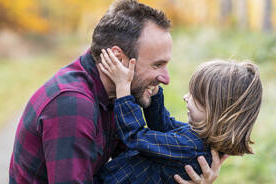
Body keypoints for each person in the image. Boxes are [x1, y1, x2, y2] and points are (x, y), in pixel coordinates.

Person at [9, 0, 225, 183]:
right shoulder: (73, 105)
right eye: (157, 65)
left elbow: (136, 164)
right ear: (119, 59)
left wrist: (187, 172)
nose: (166, 79)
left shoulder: (113, 93)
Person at [95, 49, 262, 183]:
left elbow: (135, 136)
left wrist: (123, 89)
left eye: (195, 97)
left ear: (216, 112)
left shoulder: (191, 147)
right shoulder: (197, 139)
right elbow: (162, 126)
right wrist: (154, 93)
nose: (185, 97)